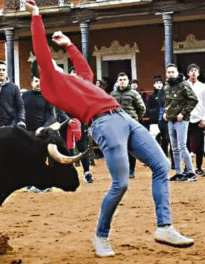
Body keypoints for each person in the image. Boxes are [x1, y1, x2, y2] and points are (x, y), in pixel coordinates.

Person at [25, 0, 193, 257]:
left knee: (160, 165)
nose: (56, 64)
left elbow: (86, 71)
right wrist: (36, 16)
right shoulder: (52, 84)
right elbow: (42, 53)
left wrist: (69, 46)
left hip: (123, 116)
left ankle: (165, 226)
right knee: (121, 183)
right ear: (44, 71)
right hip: (103, 122)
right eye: (51, 64)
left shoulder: (75, 81)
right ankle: (101, 235)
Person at [163, 64, 198, 182]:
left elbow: (193, 99)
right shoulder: (166, 86)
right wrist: (165, 112)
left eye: (173, 72)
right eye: (168, 72)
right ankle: (178, 173)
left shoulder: (183, 84)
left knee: (182, 146)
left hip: (181, 119)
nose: (170, 74)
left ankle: (191, 172)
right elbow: (166, 101)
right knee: (174, 148)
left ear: (177, 72)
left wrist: (183, 113)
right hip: (170, 119)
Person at [110, 72, 146, 178]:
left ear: (128, 81)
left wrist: (136, 119)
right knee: (120, 148)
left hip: (131, 123)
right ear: (117, 81)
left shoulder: (134, 93)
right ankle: (122, 170)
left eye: (124, 79)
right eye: (120, 79)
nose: (122, 81)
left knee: (130, 148)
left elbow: (142, 108)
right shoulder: (113, 94)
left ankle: (131, 170)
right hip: (117, 124)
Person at [186, 63, 205, 176]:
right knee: (185, 145)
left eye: (195, 70)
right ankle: (187, 167)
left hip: (198, 119)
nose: (193, 72)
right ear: (188, 73)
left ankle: (198, 167)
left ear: (198, 73)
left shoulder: (203, 86)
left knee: (199, 145)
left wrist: (204, 118)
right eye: (191, 70)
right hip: (186, 119)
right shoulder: (184, 85)